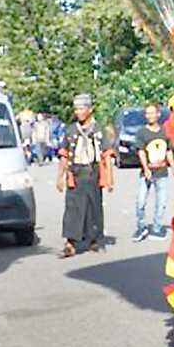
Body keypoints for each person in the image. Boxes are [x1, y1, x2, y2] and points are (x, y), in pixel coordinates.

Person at [56, 94, 113, 257]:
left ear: (90, 110)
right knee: (73, 207)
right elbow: (64, 154)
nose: (79, 112)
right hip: (76, 173)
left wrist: (110, 178)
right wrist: (60, 177)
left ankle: (93, 239)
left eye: (82, 108)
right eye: (76, 109)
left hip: (93, 172)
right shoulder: (71, 130)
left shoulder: (99, 130)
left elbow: (106, 155)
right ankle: (70, 242)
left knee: (93, 206)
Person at [133, 102, 174, 242]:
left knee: (161, 202)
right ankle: (141, 227)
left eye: (153, 113)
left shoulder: (165, 131)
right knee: (140, 202)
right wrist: (146, 168)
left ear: (158, 114)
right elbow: (141, 151)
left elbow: (168, 151)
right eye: (147, 113)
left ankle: (157, 228)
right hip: (147, 173)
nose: (150, 116)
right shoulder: (142, 132)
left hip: (162, 172)